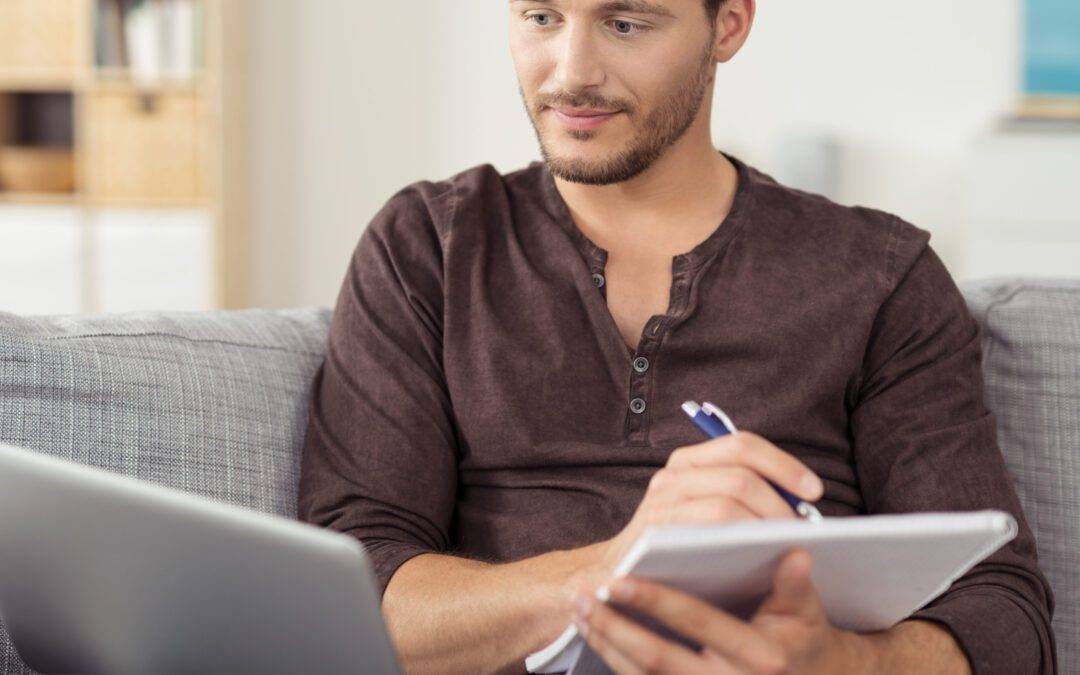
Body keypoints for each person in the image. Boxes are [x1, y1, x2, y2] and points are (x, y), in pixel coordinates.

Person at [297, 0, 1056, 673]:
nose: (572, 72)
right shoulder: (429, 247)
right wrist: (616, 571)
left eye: (625, 23)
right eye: (540, 17)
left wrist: (842, 662)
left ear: (728, 25)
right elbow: (353, 594)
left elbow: (1003, 610)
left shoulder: (879, 276)